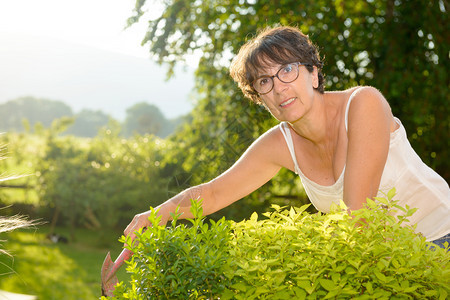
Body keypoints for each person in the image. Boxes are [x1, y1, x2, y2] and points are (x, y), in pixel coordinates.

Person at [124, 25, 450, 249]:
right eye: (264, 82)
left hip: (442, 238)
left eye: (287, 70)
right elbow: (212, 193)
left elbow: (358, 218)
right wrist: (153, 216)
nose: (279, 86)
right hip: (382, 262)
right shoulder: (279, 144)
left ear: (314, 72)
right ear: (258, 98)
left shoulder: (363, 104)